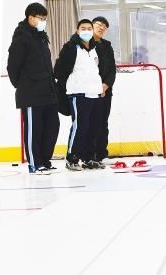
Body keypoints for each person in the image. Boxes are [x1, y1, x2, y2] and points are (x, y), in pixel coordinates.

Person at [7, 2, 60, 175]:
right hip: (31, 94)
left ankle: (45, 160)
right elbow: (12, 67)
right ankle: (34, 164)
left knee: (53, 126)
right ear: (30, 18)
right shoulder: (21, 37)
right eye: (40, 18)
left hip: (48, 92)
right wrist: (23, 86)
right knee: (34, 129)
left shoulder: (42, 37)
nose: (43, 21)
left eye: (45, 18)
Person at [54, 19, 105, 171]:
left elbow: (96, 70)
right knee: (80, 126)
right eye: (83, 28)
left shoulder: (95, 48)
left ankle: (88, 158)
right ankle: (72, 158)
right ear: (77, 30)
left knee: (93, 127)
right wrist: (71, 85)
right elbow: (59, 71)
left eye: (89, 28)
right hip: (78, 93)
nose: (87, 31)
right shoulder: (70, 47)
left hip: (94, 93)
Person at [92, 16, 116, 165]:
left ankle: (101, 153)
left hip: (105, 91)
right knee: (90, 123)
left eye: (104, 27)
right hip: (89, 90)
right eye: (99, 24)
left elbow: (112, 69)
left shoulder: (107, 45)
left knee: (103, 122)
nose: (101, 28)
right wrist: (95, 86)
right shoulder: (84, 44)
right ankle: (90, 154)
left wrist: (106, 85)